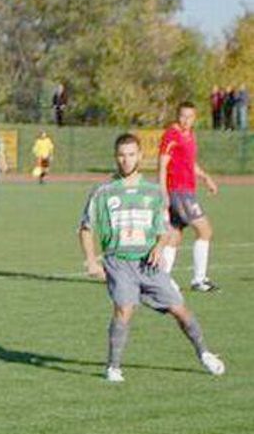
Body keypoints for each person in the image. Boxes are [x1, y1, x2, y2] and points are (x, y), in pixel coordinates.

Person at [78, 133, 225, 383]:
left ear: (139, 156)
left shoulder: (153, 192)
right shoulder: (103, 191)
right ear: (115, 157)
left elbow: (164, 229)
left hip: (149, 263)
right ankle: (113, 367)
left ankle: (205, 353)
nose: (126, 160)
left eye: (131, 154)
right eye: (121, 155)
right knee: (124, 309)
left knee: (180, 310)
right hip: (119, 262)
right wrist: (91, 260)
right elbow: (85, 228)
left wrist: (159, 245)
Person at [157, 101, 221, 292]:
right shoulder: (171, 135)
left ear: (195, 118)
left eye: (190, 117)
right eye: (182, 116)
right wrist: (163, 193)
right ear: (177, 116)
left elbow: (190, 163)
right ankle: (199, 280)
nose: (186, 120)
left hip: (187, 190)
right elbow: (162, 165)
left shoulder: (190, 135)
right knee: (205, 230)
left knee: (175, 235)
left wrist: (205, 177)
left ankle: (163, 278)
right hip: (178, 191)